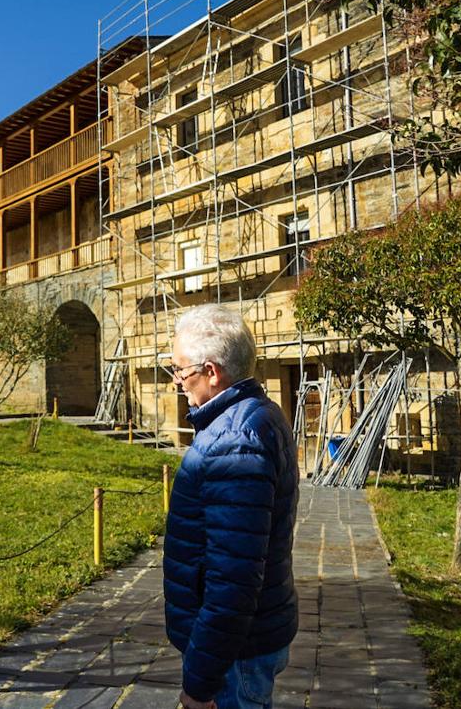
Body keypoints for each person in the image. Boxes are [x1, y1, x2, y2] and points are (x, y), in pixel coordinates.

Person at [163, 304, 299, 709]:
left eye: (181, 370)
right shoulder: (256, 415)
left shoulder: (235, 440)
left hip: (233, 655)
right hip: (245, 640)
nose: (177, 382)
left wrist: (200, 682)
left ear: (212, 372)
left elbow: (233, 578)